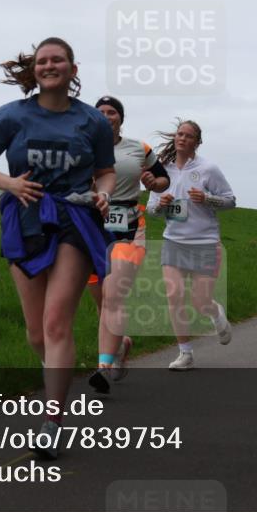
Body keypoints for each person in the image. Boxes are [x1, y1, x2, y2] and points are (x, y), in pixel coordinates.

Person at [0, 37, 115, 459]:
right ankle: (55, 369)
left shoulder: (93, 122)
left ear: (72, 69)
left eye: (58, 60)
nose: (50, 65)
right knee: (36, 332)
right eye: (42, 61)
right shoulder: (12, 116)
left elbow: (105, 172)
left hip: (73, 217)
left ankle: (52, 421)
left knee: (55, 323)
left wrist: (103, 193)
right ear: (35, 70)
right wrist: (10, 183)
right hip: (26, 218)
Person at [86, 96, 169, 393]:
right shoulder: (82, 145)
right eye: (101, 113)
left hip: (129, 225)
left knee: (113, 295)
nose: (107, 116)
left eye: (112, 112)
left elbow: (162, 180)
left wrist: (152, 183)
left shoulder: (139, 148)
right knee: (102, 302)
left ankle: (104, 368)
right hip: (91, 227)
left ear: (121, 119)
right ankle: (122, 343)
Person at [146, 120, 235, 371]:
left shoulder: (209, 169)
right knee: (174, 296)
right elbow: (151, 210)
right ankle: (185, 353)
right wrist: (160, 204)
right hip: (173, 241)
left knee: (200, 301)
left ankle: (215, 313)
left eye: (188, 136)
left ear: (197, 142)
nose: (182, 138)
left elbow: (230, 201)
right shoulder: (162, 170)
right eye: (179, 134)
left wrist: (207, 198)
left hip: (205, 242)